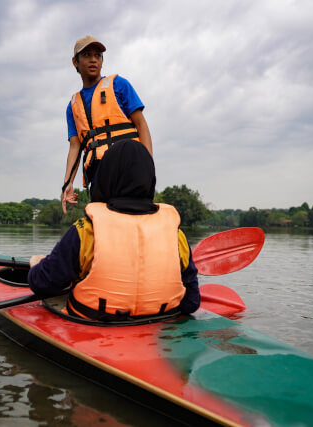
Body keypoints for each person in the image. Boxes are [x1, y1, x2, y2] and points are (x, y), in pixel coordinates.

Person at [30, 140, 200, 322]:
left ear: (106, 177)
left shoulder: (86, 230)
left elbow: (42, 284)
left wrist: (36, 265)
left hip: (95, 324)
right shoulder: (175, 235)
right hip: (161, 319)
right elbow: (191, 302)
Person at [61, 35, 153, 214]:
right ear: (75, 62)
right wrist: (67, 183)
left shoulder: (119, 85)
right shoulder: (73, 106)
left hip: (131, 170)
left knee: (135, 220)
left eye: (98, 55)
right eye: (87, 55)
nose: (93, 59)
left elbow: (141, 125)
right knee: (104, 226)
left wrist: (149, 166)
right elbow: (74, 147)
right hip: (99, 177)